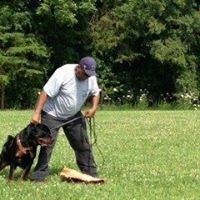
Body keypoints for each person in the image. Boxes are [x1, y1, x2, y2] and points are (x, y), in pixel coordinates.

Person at [30, 56, 100, 182]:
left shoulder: (91, 77)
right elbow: (45, 92)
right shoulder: (63, 73)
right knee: (47, 145)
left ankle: (91, 174)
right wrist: (37, 113)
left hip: (73, 115)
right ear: (78, 67)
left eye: (89, 75)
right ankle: (39, 176)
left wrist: (94, 108)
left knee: (82, 144)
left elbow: (95, 93)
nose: (86, 77)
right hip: (52, 114)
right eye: (84, 74)